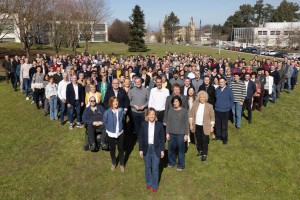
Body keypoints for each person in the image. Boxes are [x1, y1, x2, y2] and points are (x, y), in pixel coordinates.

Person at [139, 108, 165, 193]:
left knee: (155, 168)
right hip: (146, 148)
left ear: (155, 115)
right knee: (147, 167)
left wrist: (162, 150)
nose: (151, 116)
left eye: (153, 114)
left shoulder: (159, 125)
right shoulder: (143, 124)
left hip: (156, 148)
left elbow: (162, 138)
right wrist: (141, 150)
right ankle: (149, 183)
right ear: (147, 116)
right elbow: (141, 137)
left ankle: (154, 185)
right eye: (150, 114)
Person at [189, 91, 215, 161]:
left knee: (204, 140)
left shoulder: (209, 106)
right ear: (199, 98)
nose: (202, 98)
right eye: (201, 97)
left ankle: (204, 154)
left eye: (203, 97)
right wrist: (191, 124)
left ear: (206, 98)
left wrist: (212, 127)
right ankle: (200, 151)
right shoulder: (195, 105)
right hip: (197, 125)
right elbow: (191, 115)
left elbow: (212, 117)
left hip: (205, 126)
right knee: (198, 139)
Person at [166, 96, 189, 171]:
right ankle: (172, 162)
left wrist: (186, 134)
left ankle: (181, 165)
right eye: (174, 101)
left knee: (181, 150)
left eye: (176, 101)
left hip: (181, 134)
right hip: (171, 133)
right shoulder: (170, 110)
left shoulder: (184, 111)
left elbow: (186, 123)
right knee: (171, 149)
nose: (175, 103)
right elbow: (168, 122)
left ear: (180, 102)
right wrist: (167, 133)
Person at [103, 96, 125, 172]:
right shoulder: (107, 112)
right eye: (114, 101)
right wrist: (109, 129)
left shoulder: (121, 110)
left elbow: (123, 120)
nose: (115, 103)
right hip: (111, 134)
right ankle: (114, 162)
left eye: (116, 101)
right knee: (112, 149)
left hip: (120, 133)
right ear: (111, 103)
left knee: (121, 149)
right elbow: (105, 122)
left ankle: (122, 164)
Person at [215, 78, 234, 144]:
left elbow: (232, 99)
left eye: (222, 82)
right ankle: (218, 136)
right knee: (218, 124)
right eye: (220, 82)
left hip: (225, 111)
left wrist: (228, 107)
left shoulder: (229, 90)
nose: (221, 83)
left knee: (224, 125)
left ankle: (224, 138)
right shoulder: (217, 89)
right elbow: (215, 98)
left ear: (225, 82)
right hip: (217, 110)